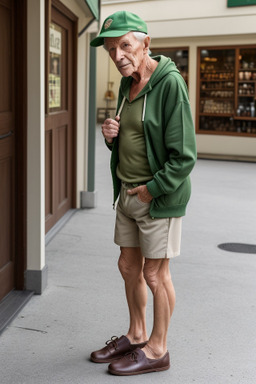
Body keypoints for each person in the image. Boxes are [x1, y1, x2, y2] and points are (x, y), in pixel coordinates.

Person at [90, 10, 197, 376]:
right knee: (128, 266)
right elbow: (134, 138)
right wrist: (111, 136)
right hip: (127, 193)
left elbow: (184, 157)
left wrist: (152, 191)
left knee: (155, 275)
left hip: (157, 198)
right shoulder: (127, 83)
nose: (117, 55)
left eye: (124, 45)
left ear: (145, 43)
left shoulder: (170, 84)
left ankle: (158, 348)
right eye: (110, 49)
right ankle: (137, 334)